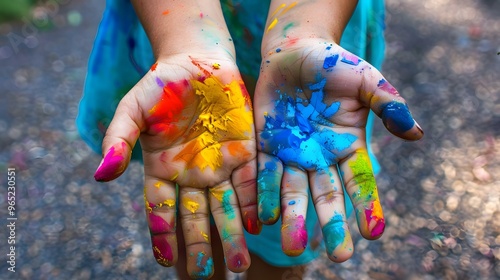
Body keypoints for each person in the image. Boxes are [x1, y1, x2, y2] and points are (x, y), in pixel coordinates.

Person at [77, 0, 423, 279]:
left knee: (290, 207)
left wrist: (301, 34)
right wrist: (187, 43)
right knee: (193, 186)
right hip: (173, 25)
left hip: (319, 25)